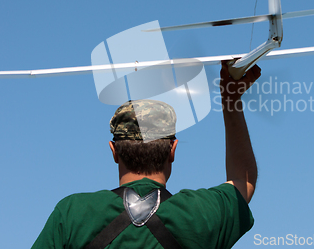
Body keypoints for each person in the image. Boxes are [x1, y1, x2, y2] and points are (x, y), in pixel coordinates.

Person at [31, 61, 262, 249]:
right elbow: (244, 181)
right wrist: (231, 99)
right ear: (173, 150)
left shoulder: (73, 213)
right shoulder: (202, 214)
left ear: (114, 151)